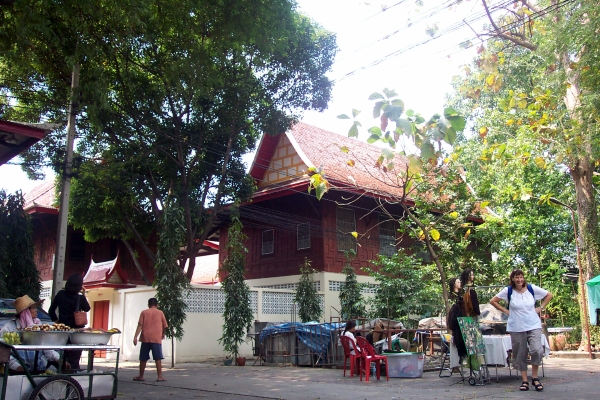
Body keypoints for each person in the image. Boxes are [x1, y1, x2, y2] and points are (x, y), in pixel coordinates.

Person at [490, 269, 553, 392]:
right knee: (520, 353)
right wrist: (506, 311)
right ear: (512, 279)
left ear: (523, 278)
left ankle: (535, 377)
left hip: (533, 325)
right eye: (516, 277)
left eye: (521, 277)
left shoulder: (531, 289)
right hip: (516, 327)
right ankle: (525, 380)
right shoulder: (508, 291)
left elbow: (549, 295)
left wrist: (540, 308)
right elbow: (493, 301)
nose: (519, 280)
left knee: (537, 350)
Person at [0, 295, 66, 372]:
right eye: (33, 308)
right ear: (26, 312)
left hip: (39, 367)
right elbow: (3, 352)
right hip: (18, 371)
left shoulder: (37, 325)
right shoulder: (9, 328)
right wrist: (16, 366)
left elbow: (45, 347)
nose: (36, 310)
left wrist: (58, 359)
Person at [48, 273, 91, 369]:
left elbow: (51, 311)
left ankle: (62, 377)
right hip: (76, 333)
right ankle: (73, 378)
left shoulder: (60, 294)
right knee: (74, 359)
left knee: (62, 357)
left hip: (63, 331)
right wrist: (83, 294)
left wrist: (57, 322)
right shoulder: (80, 297)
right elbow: (87, 308)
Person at [133, 297, 168, 382]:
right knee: (158, 358)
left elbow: (140, 325)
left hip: (145, 337)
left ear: (148, 305)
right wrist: (163, 334)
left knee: (143, 358)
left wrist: (135, 337)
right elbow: (165, 325)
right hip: (156, 338)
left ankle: (141, 376)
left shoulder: (144, 312)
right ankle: (159, 376)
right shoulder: (160, 313)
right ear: (157, 305)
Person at [446, 277, 468, 361]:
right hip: (457, 319)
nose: (460, 283)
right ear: (454, 284)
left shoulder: (460, 294)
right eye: (458, 282)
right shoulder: (453, 296)